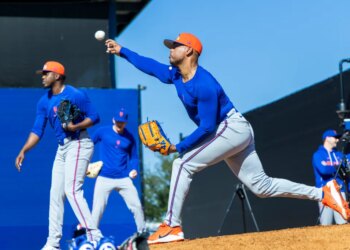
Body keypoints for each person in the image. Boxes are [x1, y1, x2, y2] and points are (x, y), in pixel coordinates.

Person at [105, 33, 350, 245]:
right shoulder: (176, 75)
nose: (170, 49)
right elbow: (150, 66)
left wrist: (176, 147)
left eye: (175, 45)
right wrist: (122, 51)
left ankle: (172, 225)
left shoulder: (205, 84)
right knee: (262, 187)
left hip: (231, 128)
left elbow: (208, 127)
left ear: (189, 50)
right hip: (229, 132)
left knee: (182, 163)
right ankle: (325, 193)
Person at [15, 61, 103, 250]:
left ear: (57, 75)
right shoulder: (44, 101)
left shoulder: (75, 95)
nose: (43, 76)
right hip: (62, 148)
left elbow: (95, 116)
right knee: (55, 194)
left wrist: (76, 126)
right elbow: (37, 130)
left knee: (72, 190)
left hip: (79, 142)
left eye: (46, 73)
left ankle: (95, 237)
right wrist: (24, 150)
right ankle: (53, 243)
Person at [91, 108, 145, 233]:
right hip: (104, 177)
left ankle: (142, 234)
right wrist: (85, 162)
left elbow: (134, 157)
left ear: (126, 122)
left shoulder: (130, 137)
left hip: (123, 178)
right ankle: (91, 238)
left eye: (122, 121)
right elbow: (88, 145)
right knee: (97, 209)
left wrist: (134, 169)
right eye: (118, 121)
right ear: (113, 120)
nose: (120, 123)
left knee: (136, 206)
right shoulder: (102, 132)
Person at [313, 129, 350, 225]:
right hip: (325, 192)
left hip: (340, 192)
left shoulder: (340, 155)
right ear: (327, 138)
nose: (337, 140)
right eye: (335, 138)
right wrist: (338, 167)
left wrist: (332, 167)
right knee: (326, 224)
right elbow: (323, 170)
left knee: (343, 222)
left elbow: (346, 171)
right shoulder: (318, 155)